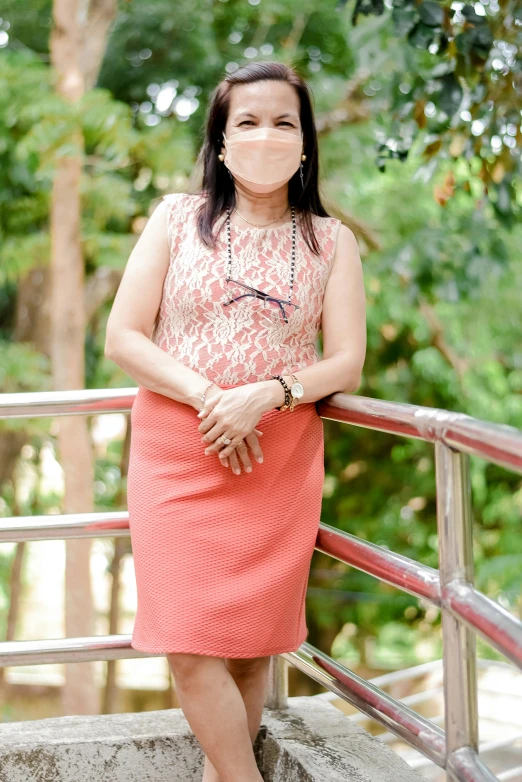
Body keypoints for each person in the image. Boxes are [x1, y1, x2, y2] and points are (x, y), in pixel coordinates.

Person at [105, 60, 366, 782]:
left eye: (283, 121)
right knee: (190, 649)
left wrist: (270, 392)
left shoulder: (331, 242)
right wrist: (213, 396)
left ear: (306, 143)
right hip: (176, 452)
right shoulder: (171, 220)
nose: (265, 135)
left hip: (275, 461)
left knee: (252, 647)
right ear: (221, 142)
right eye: (246, 122)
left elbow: (346, 362)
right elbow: (123, 337)